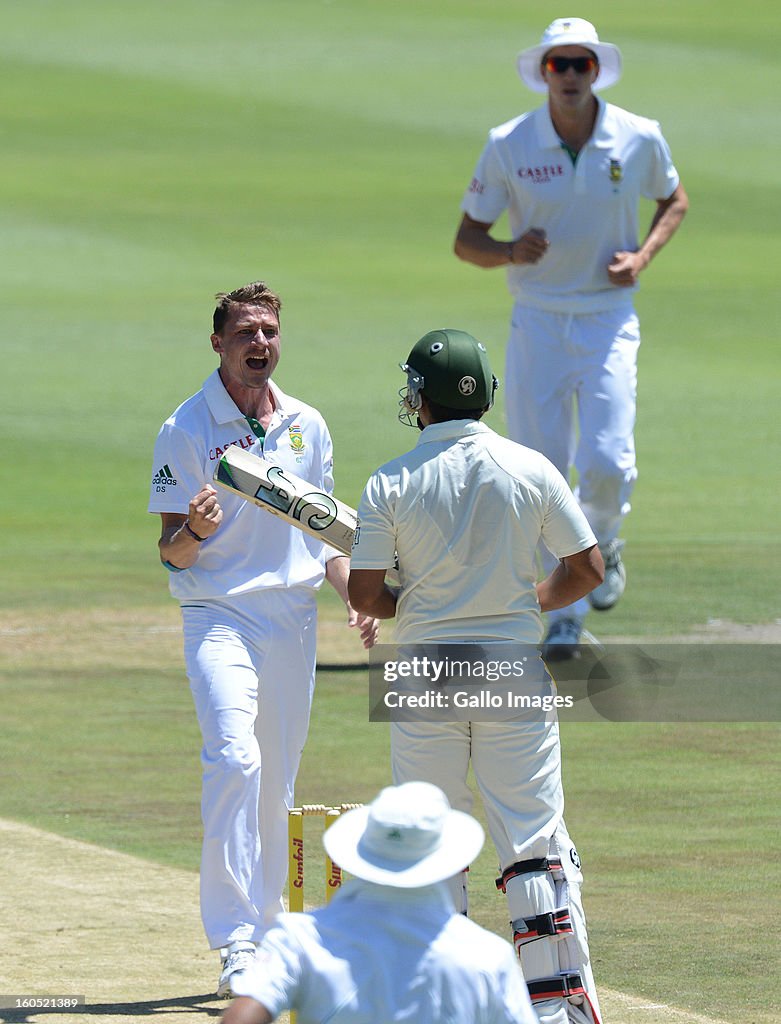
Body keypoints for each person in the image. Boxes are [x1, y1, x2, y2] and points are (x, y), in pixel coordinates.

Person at [348, 329, 605, 1024]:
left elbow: (365, 596)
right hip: (509, 669)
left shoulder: (389, 480)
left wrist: (417, 603)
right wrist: (529, 601)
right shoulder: (532, 468)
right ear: (485, 395)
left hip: (424, 671)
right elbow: (586, 570)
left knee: (427, 840)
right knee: (531, 841)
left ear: (419, 399)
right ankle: (560, 1014)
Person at [147, 281, 379, 997]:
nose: (259, 342)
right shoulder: (185, 427)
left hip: (290, 620)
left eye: (269, 331)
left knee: (275, 778)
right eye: (245, 331)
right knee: (234, 759)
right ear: (217, 342)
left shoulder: (307, 423)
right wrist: (196, 530)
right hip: (219, 614)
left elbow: (325, 531)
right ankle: (235, 940)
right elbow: (169, 554)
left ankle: (273, 928)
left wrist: (358, 598)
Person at [454, 17, 688, 658]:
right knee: (542, 472)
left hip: (610, 317)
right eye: (559, 65)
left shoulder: (638, 137)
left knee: (610, 461)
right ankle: (565, 613)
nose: (571, 75)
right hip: (538, 320)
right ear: (545, 73)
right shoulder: (510, 142)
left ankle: (605, 544)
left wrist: (642, 257)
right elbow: (466, 239)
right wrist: (508, 250)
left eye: (581, 63)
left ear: (596, 70)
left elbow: (674, 200)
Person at [221, 781, 537, 1024]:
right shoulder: (488, 957)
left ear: (362, 850)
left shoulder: (299, 937)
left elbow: (244, 1013)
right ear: (449, 858)